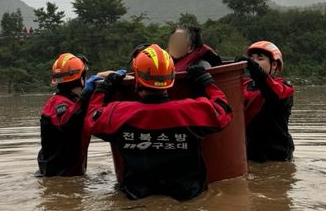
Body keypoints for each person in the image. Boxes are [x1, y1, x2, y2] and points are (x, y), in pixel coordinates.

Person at [85, 44, 233, 201]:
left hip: (136, 198)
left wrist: (103, 89)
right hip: (188, 198)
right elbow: (224, 111)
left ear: (137, 79)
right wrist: (206, 81)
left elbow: (91, 120)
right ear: (172, 77)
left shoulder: (118, 113)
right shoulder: (193, 111)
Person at [37, 52, 100, 177]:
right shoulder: (61, 104)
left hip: (58, 172)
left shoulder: (66, 101)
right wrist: (88, 94)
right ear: (81, 79)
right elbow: (69, 121)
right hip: (63, 175)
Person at [238, 41, 294, 162]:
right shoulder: (243, 85)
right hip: (251, 152)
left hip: (277, 154)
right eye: (251, 58)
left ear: (274, 65)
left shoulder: (285, 86)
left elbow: (272, 93)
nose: (254, 61)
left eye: (260, 58)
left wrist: (255, 69)